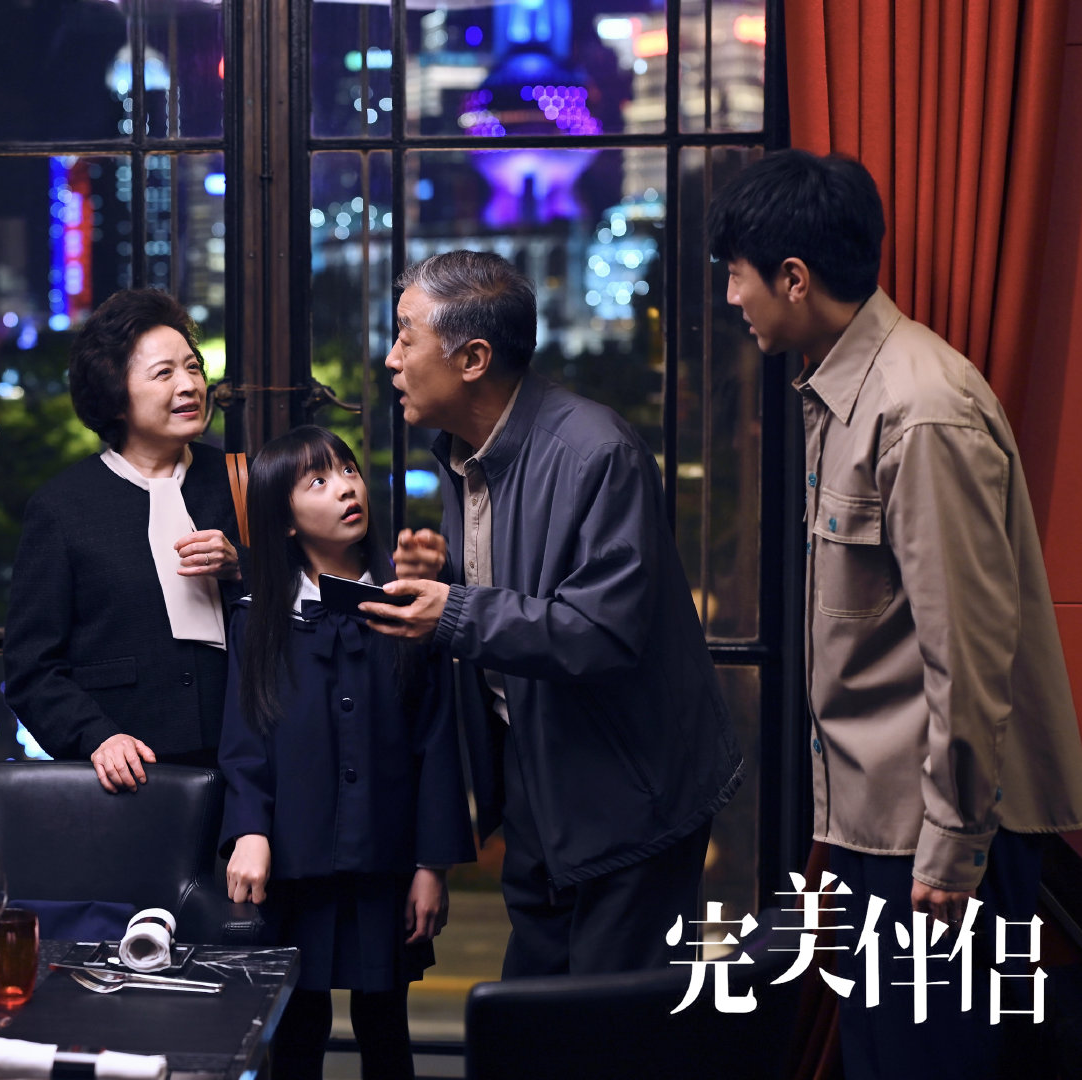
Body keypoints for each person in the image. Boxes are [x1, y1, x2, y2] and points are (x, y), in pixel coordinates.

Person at [708, 149, 1082, 1079]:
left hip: (938, 835)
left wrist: (952, 849)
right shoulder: (846, 389)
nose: (730, 296)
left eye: (738, 273)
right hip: (883, 825)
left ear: (794, 278)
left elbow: (969, 651)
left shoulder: (917, 409)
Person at [366, 250, 743, 977]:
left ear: (473, 358)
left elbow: (600, 631)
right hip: (538, 781)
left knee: (611, 1024)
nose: (391, 359)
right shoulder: (467, 453)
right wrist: (443, 577)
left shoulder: (596, 453)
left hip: (629, 794)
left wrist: (452, 609)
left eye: (406, 336)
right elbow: (520, 590)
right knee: (537, 1013)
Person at [219, 426, 473, 1080]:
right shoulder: (258, 616)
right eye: (318, 481)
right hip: (295, 860)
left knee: (385, 1027)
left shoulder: (409, 605)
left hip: (386, 858)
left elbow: (436, 738)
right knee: (295, 1030)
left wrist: (433, 865)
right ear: (284, 521)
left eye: (349, 471)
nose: (345, 488)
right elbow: (244, 739)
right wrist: (249, 830)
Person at [5, 289, 243, 793]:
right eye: (164, 373)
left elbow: (304, 602)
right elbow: (31, 670)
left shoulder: (241, 481)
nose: (189, 385)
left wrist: (241, 567)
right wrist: (97, 737)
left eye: (193, 367)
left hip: (248, 765)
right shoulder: (62, 507)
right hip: (128, 777)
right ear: (114, 394)